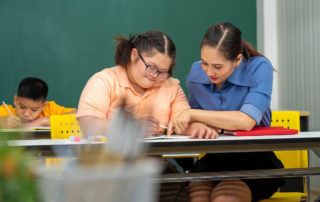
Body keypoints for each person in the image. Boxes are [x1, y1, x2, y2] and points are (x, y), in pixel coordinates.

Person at [77, 30, 214, 201]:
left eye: (164, 71)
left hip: (152, 172)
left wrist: (198, 128)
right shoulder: (104, 81)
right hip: (106, 171)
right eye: (151, 67)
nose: (156, 76)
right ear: (134, 55)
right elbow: (88, 124)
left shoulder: (171, 86)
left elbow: (182, 121)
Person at [168, 22, 285, 202]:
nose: (209, 72)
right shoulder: (196, 73)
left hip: (255, 159)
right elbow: (195, 124)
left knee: (224, 197)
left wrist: (193, 115)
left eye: (218, 66)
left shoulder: (259, 67)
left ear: (237, 60)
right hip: (214, 158)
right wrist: (194, 125)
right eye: (205, 63)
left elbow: (246, 121)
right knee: (197, 197)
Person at [0, 77, 76, 128]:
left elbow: (77, 114)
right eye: (22, 107)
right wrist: (2, 121)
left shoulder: (50, 109)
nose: (26, 113)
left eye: (34, 110)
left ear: (43, 106)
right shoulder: (5, 112)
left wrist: (42, 121)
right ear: (15, 100)